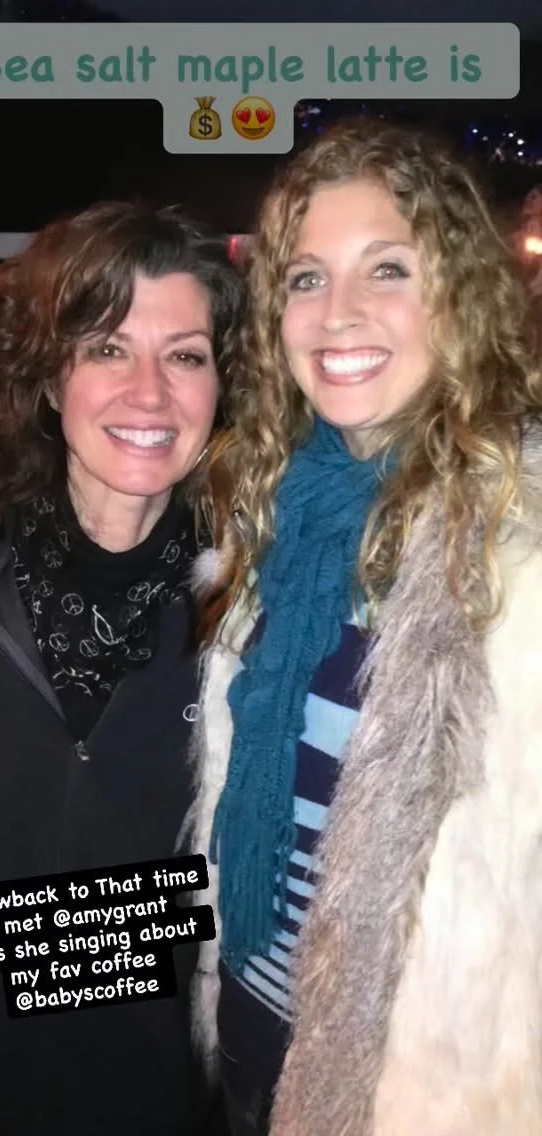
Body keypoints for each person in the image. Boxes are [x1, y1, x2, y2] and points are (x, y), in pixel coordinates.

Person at [190, 116, 542, 1136]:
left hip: (417, 1097)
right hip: (247, 1042)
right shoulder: (271, 518)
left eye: (386, 268)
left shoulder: (519, 552)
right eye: (306, 278)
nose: (337, 313)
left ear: (457, 293)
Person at [0, 200, 244, 1136]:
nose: (149, 393)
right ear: (49, 378)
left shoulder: (252, 621)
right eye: (107, 349)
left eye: (185, 356)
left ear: (222, 387)